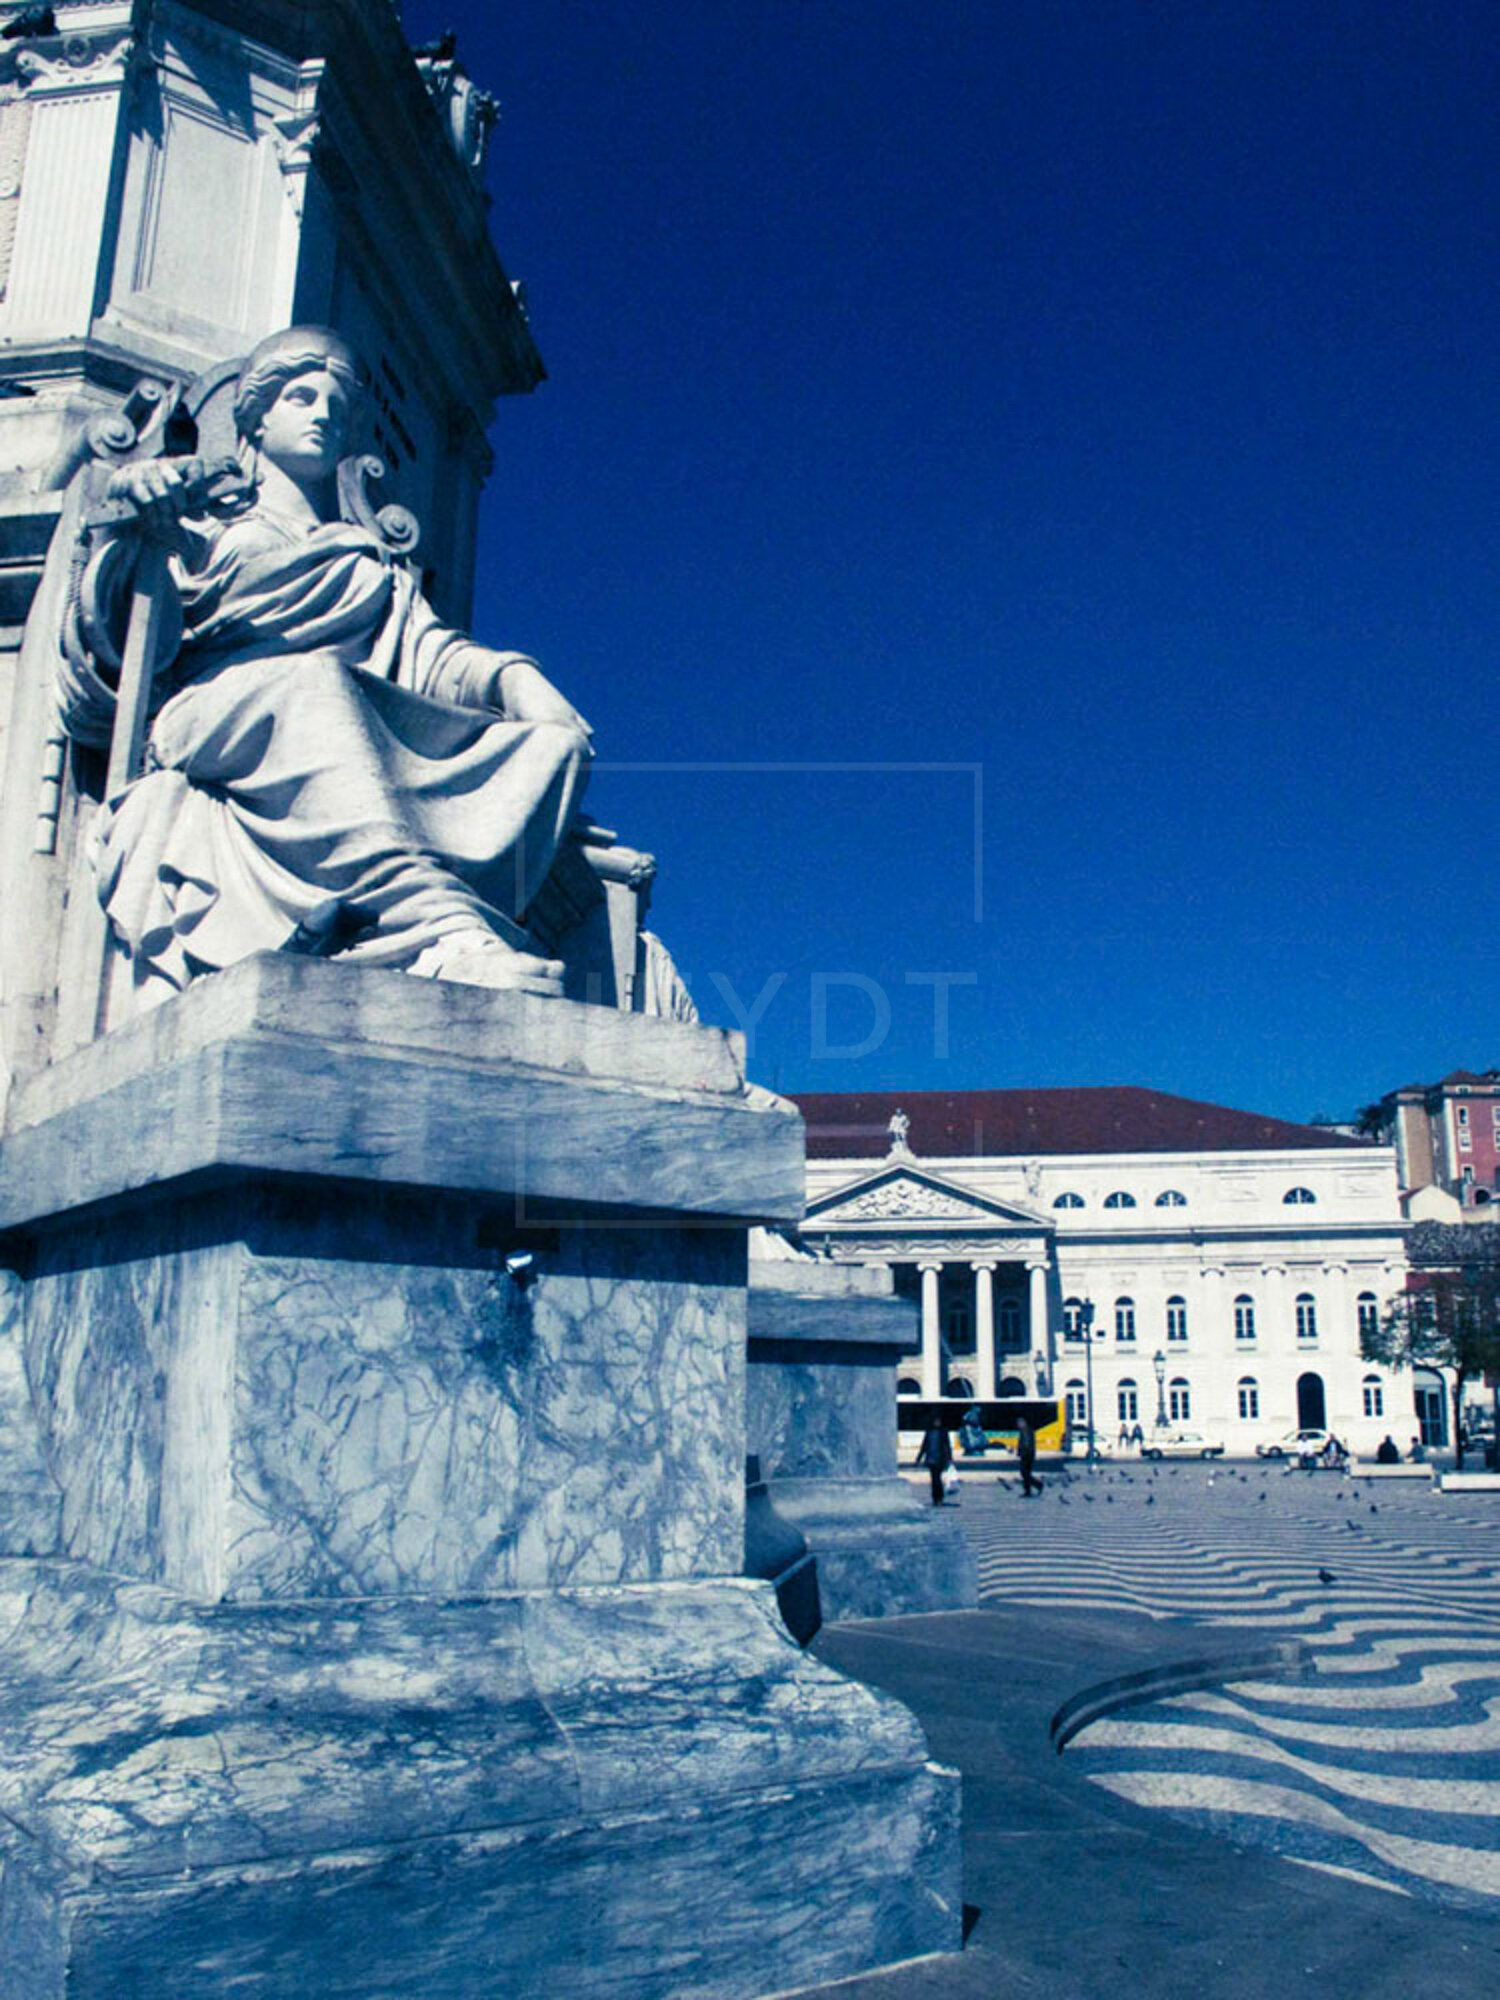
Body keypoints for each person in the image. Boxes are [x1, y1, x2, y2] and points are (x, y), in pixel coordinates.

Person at [59, 325, 592, 1002]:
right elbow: (140, 639)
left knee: (553, 743)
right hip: (217, 709)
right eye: (302, 397)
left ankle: (393, 920)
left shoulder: (364, 555)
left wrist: (515, 677)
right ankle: (435, 926)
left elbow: (429, 651)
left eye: (337, 408)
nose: (322, 416)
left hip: (346, 713)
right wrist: (145, 534)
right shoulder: (207, 521)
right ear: (255, 414)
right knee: (313, 683)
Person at [915, 1418, 954, 1505]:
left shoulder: (943, 1432)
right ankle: (936, 1498)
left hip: (940, 1459)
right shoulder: (929, 1432)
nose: (937, 1423)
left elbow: (947, 1446)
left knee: (937, 1479)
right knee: (934, 1479)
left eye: (938, 1421)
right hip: (931, 1459)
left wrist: (949, 1458)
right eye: (936, 1421)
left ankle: (939, 1497)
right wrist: (918, 1458)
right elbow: (924, 1446)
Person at [1016, 1413, 1041, 1496]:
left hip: (1027, 1455)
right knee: (1026, 1473)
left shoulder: (1025, 1431)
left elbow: (1025, 1444)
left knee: (1024, 1473)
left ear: (1024, 1422)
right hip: (1029, 1454)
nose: (1018, 1425)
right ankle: (1028, 1490)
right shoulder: (1027, 1430)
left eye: (1019, 1423)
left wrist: (1022, 1452)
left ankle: (1037, 1485)